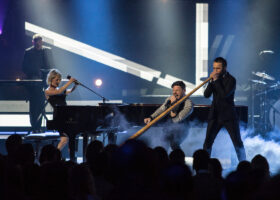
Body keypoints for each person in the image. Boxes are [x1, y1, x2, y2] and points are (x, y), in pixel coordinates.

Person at [203, 57, 246, 161]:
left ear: (224, 68)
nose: (215, 71)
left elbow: (224, 94)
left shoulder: (231, 80)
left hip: (228, 116)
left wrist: (216, 81)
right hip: (215, 115)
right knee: (208, 142)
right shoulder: (214, 80)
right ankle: (204, 165)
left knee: (237, 142)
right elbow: (206, 95)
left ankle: (244, 164)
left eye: (218, 68)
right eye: (214, 68)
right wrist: (210, 82)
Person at [144, 81, 193, 150]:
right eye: (173, 90)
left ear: (184, 91)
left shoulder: (188, 103)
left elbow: (176, 119)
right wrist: (151, 117)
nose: (174, 93)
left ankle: (179, 159)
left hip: (182, 130)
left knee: (174, 143)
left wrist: (173, 105)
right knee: (163, 143)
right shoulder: (169, 99)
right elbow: (161, 109)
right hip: (169, 127)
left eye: (177, 90)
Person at [22, 33, 54, 133]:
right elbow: (24, 67)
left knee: (42, 105)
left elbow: (51, 65)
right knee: (34, 107)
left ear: (42, 42)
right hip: (33, 85)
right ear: (33, 42)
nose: (39, 45)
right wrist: (34, 73)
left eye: (40, 43)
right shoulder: (28, 52)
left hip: (44, 84)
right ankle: (34, 127)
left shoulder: (47, 51)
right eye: (37, 43)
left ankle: (41, 127)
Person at [45, 69, 77, 150]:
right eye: (57, 79)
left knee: (69, 138)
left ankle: (70, 156)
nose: (58, 81)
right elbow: (59, 92)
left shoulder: (60, 89)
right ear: (51, 79)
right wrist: (69, 82)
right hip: (59, 116)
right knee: (64, 139)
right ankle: (55, 155)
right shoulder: (47, 91)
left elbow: (70, 91)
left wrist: (75, 85)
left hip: (66, 114)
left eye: (59, 79)